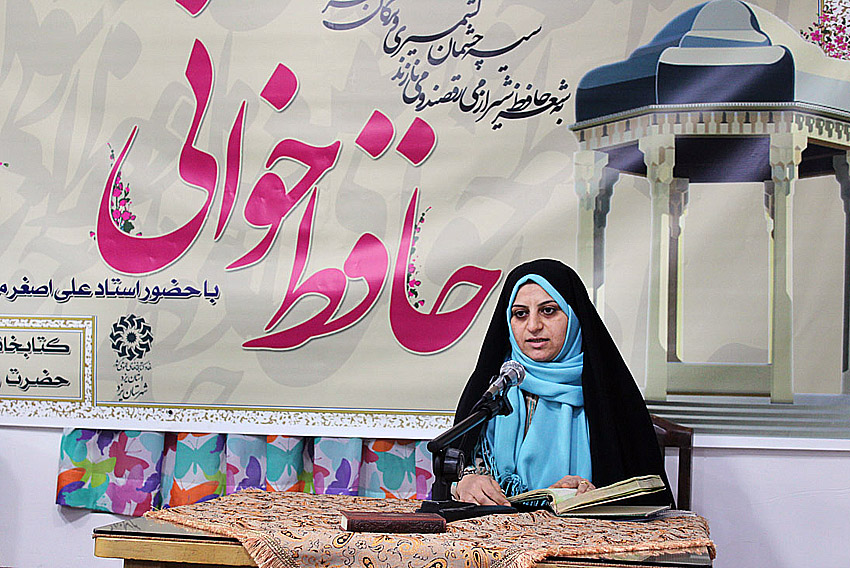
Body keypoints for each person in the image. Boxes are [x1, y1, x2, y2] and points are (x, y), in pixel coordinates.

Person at [452, 259, 675, 507]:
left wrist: (590, 495)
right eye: (520, 314)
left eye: (548, 311)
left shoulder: (608, 391)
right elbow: (453, 469)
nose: (534, 326)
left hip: (582, 530)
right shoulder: (493, 387)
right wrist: (465, 480)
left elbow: (641, 500)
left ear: (574, 315)